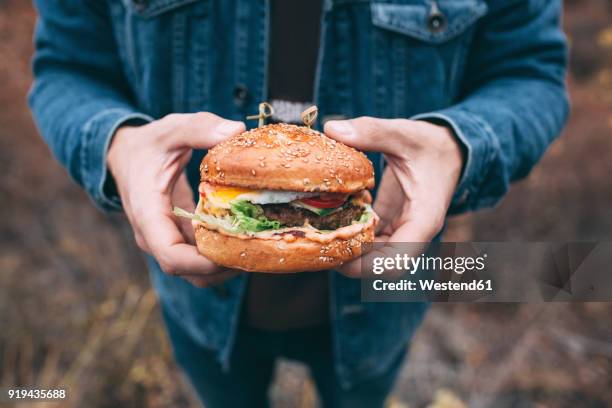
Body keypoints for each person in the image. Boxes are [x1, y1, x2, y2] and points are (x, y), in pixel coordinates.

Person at [29, 1, 569, 407]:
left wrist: (458, 143)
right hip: (198, 304)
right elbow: (66, 67)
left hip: (386, 294)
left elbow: (531, 74)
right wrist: (118, 145)